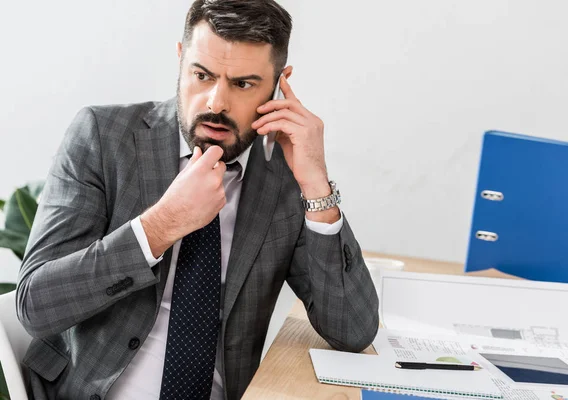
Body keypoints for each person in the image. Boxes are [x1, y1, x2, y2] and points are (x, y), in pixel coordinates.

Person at [16, 1, 378, 399]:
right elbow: (36, 305)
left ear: (279, 83)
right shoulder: (104, 138)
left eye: (243, 84)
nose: (215, 102)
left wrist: (317, 187)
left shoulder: (285, 178)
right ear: (180, 58)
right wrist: (160, 226)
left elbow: (352, 331)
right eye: (202, 75)